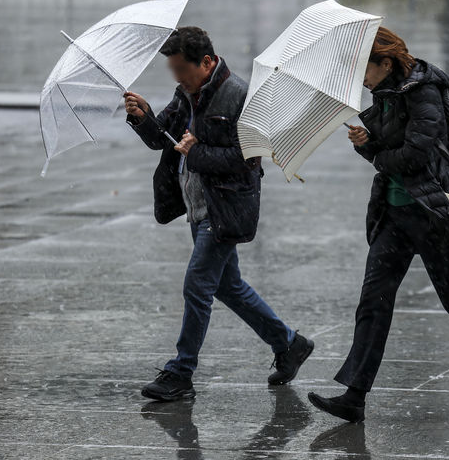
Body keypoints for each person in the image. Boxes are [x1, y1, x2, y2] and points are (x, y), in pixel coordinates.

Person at [307, 27, 449, 422]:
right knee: (373, 301)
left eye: (364, 69)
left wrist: (376, 153)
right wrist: (365, 143)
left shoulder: (424, 91)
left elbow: (416, 155)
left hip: (434, 211)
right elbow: (389, 151)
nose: (360, 78)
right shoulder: (383, 93)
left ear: (385, 63)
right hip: (395, 213)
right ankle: (354, 397)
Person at [124, 26, 313, 401]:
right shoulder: (186, 94)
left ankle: (180, 373)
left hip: (226, 209)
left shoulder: (239, 96)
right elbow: (160, 138)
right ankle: (289, 344)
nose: (178, 78)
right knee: (228, 286)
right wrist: (143, 116)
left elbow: (247, 161)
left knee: (197, 285)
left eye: (182, 70)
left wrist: (195, 153)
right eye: (173, 71)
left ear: (207, 62)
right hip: (198, 205)